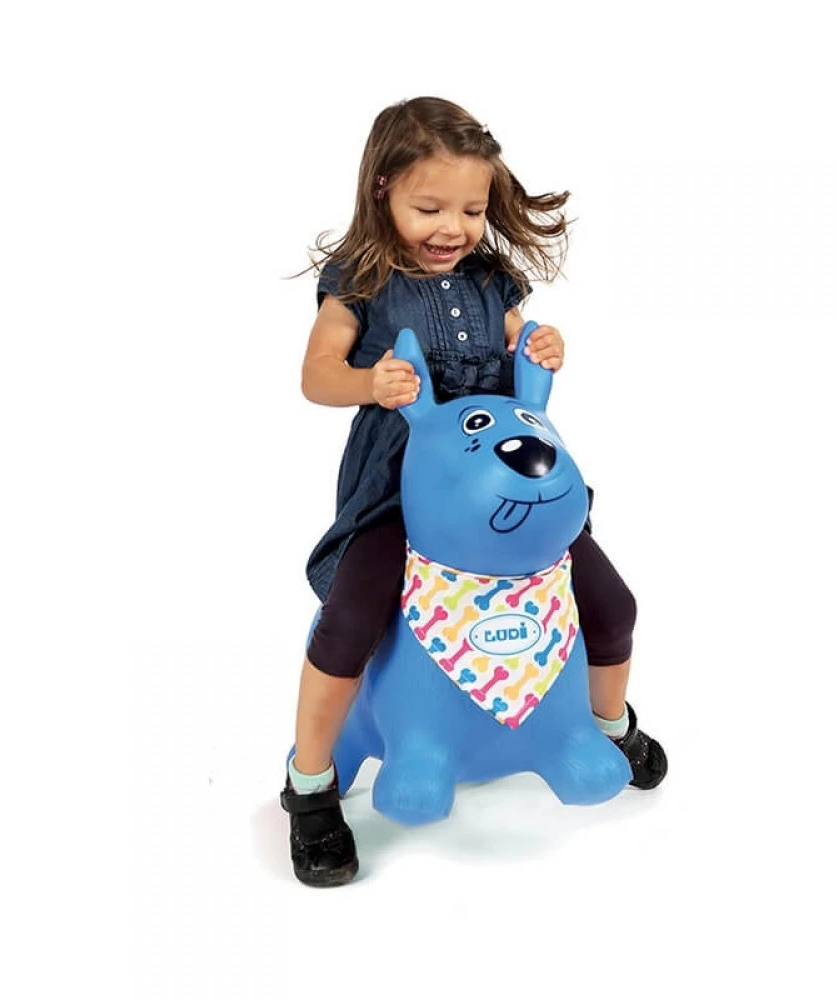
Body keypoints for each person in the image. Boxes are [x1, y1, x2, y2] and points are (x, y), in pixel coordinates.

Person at [283, 97, 667, 888]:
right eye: (429, 208)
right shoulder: (361, 282)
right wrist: (369, 382)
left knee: (610, 604)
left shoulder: (492, 280)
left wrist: (540, 343)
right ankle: (311, 780)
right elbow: (316, 375)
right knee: (350, 618)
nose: (452, 228)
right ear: (383, 188)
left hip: (509, 494)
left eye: (471, 210)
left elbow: (520, 344)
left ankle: (608, 723)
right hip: (401, 493)